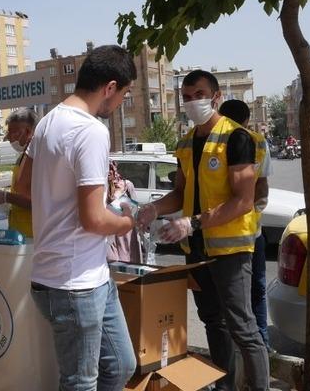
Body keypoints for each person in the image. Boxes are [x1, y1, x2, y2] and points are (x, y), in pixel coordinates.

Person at [15, 44, 138, 390]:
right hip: (74, 284)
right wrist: (132, 220)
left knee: (121, 365)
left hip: (86, 275)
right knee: (80, 382)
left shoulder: (49, 121)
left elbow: (25, 186)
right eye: (124, 95)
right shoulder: (91, 131)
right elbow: (94, 220)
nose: (119, 104)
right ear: (110, 87)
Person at [138, 70, 269, 391]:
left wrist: (192, 222)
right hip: (195, 251)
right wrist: (154, 208)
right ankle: (224, 385)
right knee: (213, 321)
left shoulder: (237, 138)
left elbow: (244, 200)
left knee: (243, 327)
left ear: (215, 97)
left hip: (231, 251)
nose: (192, 102)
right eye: (186, 97)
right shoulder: (185, 142)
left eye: (199, 95)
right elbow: (181, 194)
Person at [219, 99, 272, 350]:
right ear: (248, 120)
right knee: (255, 291)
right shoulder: (258, 141)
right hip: (251, 234)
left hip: (231, 236)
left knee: (236, 297)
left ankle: (248, 344)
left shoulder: (216, 141)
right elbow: (262, 188)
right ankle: (261, 342)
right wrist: (253, 215)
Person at [0, 108, 36, 237]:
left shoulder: (38, 159)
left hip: (33, 236)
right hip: (19, 233)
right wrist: (3, 199)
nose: (8, 137)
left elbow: (38, 202)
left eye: (13, 132)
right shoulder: (23, 156)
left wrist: (6, 197)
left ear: (28, 131)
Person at [106, 160, 142, 263]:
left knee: (130, 261)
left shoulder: (126, 185)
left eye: (111, 169)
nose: (109, 172)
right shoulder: (102, 189)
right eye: (106, 170)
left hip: (128, 232)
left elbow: (135, 209)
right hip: (111, 233)